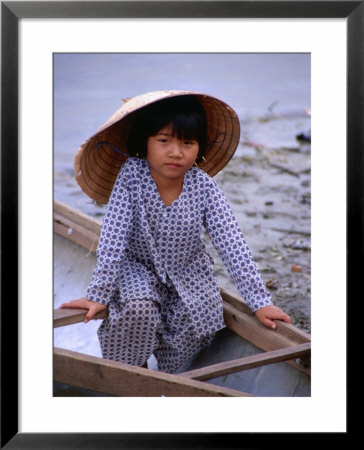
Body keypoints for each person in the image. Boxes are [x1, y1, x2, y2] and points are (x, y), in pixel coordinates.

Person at [60, 90, 291, 374]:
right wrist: (99, 294)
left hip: (188, 270)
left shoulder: (203, 186)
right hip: (137, 267)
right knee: (138, 309)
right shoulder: (131, 176)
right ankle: (132, 368)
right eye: (164, 140)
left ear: (199, 147)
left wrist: (260, 302)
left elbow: (232, 245)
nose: (176, 152)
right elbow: (113, 239)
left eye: (187, 142)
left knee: (202, 312)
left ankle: (170, 375)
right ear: (144, 142)